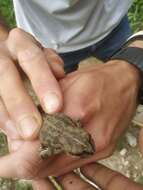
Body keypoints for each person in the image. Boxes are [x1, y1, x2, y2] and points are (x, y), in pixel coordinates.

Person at [0, 0, 143, 189]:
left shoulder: (59, 142)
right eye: (84, 146)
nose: (89, 147)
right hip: (49, 41)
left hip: (113, 24)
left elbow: (47, 150)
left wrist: (135, 60)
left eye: (85, 142)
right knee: (59, 83)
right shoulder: (60, 141)